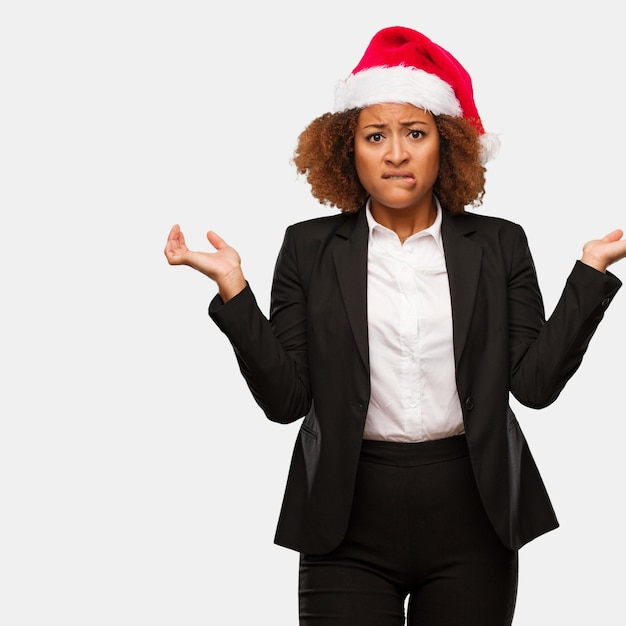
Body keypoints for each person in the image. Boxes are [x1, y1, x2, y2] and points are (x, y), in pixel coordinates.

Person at [164, 26, 626, 625]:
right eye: (375, 135)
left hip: (473, 512)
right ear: (345, 149)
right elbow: (285, 401)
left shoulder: (500, 244)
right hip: (346, 520)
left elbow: (534, 386)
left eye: (416, 133)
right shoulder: (307, 249)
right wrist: (234, 293)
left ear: (448, 145)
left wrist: (590, 276)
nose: (396, 154)